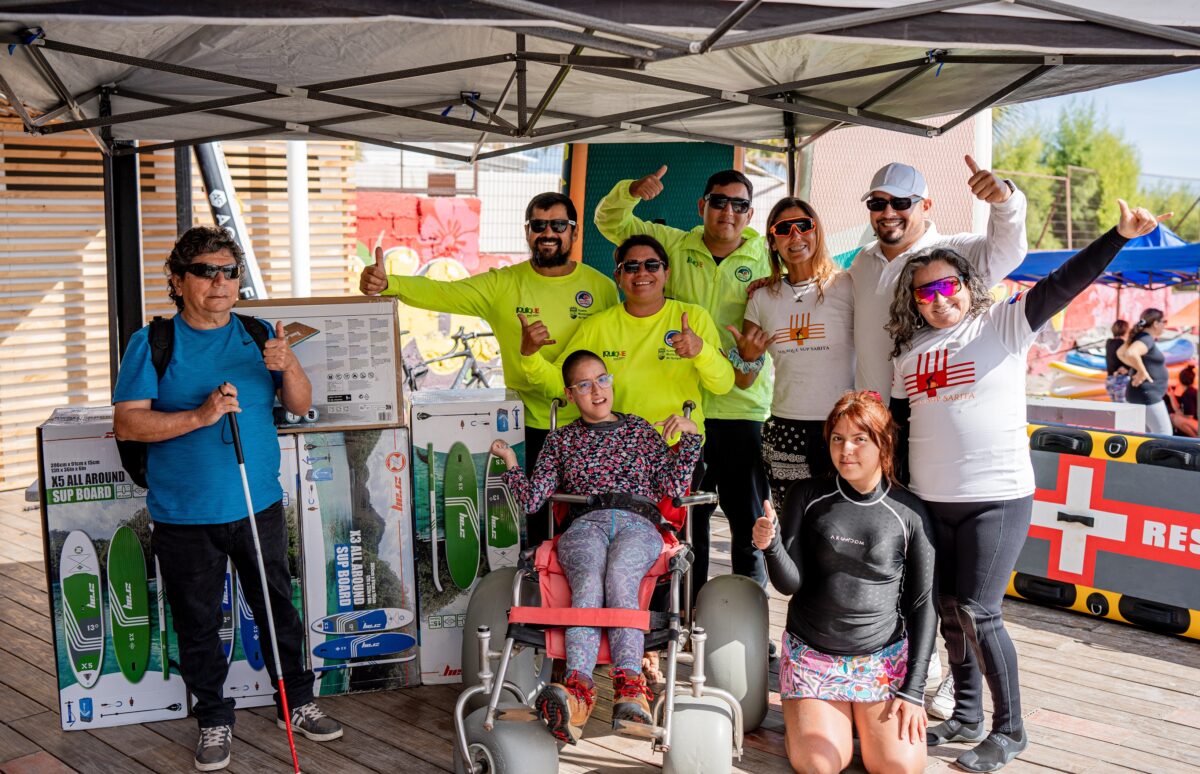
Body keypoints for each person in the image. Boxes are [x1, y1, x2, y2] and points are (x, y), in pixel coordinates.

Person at [886, 200, 1166, 772]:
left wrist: (1117, 236)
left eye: (947, 287)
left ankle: (1010, 730)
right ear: (912, 301)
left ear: (967, 285)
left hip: (996, 497)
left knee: (980, 610)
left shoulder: (1005, 324)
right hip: (930, 501)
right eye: (924, 293)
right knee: (944, 608)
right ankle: (965, 713)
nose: (938, 300)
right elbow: (898, 424)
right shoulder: (907, 354)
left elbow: (1066, 282)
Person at [113, 227, 342, 772]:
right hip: (185, 513)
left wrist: (288, 364)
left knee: (277, 611)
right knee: (197, 624)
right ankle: (214, 718)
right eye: (205, 271)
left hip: (257, 503)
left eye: (229, 271)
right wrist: (200, 416)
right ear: (177, 280)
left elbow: (301, 404)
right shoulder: (153, 343)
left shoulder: (259, 333)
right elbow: (127, 421)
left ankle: (297, 703)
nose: (220, 282)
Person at [359, 191, 619, 546]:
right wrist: (391, 283)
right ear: (527, 231)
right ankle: (534, 595)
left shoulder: (601, 288)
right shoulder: (503, 284)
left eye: (559, 224)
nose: (548, 233)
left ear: (574, 232)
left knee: (591, 522)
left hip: (590, 428)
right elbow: (444, 293)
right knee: (536, 529)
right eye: (538, 225)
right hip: (527, 427)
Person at [491, 350, 703, 744]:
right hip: (584, 523)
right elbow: (533, 500)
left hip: (639, 523)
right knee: (588, 579)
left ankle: (629, 688)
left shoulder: (639, 430)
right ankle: (577, 692)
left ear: (611, 381)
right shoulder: (561, 439)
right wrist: (510, 463)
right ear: (571, 395)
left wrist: (690, 437)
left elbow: (673, 488)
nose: (597, 390)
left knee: (621, 574)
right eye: (584, 385)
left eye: (602, 379)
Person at [595, 167, 772, 598]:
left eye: (739, 204)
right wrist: (629, 189)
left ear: (749, 213)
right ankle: (687, 616)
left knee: (749, 521)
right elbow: (610, 222)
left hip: (738, 407)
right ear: (702, 206)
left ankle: (748, 621)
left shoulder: (769, 258)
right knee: (684, 520)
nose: (728, 211)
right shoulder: (674, 243)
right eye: (719, 201)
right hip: (681, 414)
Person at [752, 391, 934, 774]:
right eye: (837, 438)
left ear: (882, 443)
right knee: (820, 764)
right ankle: (821, 719)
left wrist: (913, 690)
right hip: (813, 658)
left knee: (900, 766)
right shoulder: (808, 495)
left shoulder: (909, 512)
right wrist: (769, 546)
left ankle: (854, 721)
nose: (846, 449)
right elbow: (790, 584)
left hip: (880, 661)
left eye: (859, 439)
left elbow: (922, 606)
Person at [520, 235, 734, 441]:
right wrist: (529, 356)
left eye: (652, 265)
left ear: (666, 273)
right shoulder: (597, 326)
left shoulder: (693, 317)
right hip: (616, 453)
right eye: (631, 267)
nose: (642, 273)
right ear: (618, 277)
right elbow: (560, 382)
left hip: (677, 445)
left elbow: (723, 385)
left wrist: (701, 351)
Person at [850, 158, 1027, 399]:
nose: (888, 212)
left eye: (901, 202)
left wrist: (1006, 200)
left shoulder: (952, 253)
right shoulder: (862, 260)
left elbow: (1008, 251)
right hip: (870, 421)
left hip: (927, 416)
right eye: (878, 203)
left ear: (927, 205)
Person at [729, 197, 852, 505]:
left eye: (804, 226)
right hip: (786, 428)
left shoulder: (848, 285)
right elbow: (743, 380)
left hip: (844, 425)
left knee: (843, 525)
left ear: (817, 231)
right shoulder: (762, 298)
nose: (796, 236)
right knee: (792, 525)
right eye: (784, 229)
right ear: (772, 241)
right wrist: (747, 357)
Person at [1118, 309, 1171, 434]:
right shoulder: (1146, 338)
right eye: (1164, 322)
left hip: (1141, 395)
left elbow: (1120, 353)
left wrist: (1138, 368)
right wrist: (1142, 372)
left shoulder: (1141, 337)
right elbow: (1131, 353)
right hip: (1148, 395)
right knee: (1165, 436)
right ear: (1155, 324)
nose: (1165, 325)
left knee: (1147, 439)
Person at [1167, 364, 1197, 437]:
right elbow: (1179, 409)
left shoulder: (1188, 394)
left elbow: (1189, 417)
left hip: (1196, 424)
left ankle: (1195, 439)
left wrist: (1176, 414)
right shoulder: (1191, 391)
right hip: (1195, 424)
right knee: (1174, 417)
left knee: (1176, 419)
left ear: (1179, 380)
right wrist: (1171, 396)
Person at [1105, 319, 1131, 402]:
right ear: (1126, 330)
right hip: (1121, 379)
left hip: (1110, 379)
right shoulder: (1123, 344)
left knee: (1115, 407)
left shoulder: (1109, 343)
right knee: (1123, 408)